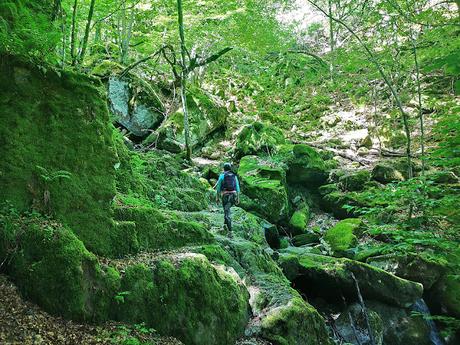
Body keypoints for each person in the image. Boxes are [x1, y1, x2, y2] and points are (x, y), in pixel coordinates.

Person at [215, 162, 240, 234]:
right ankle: (225, 226)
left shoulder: (222, 176)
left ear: (224, 169)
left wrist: (217, 197)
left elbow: (218, 188)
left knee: (227, 212)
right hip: (233, 195)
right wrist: (238, 198)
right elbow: (237, 188)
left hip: (225, 196)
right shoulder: (234, 176)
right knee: (227, 210)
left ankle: (230, 231)